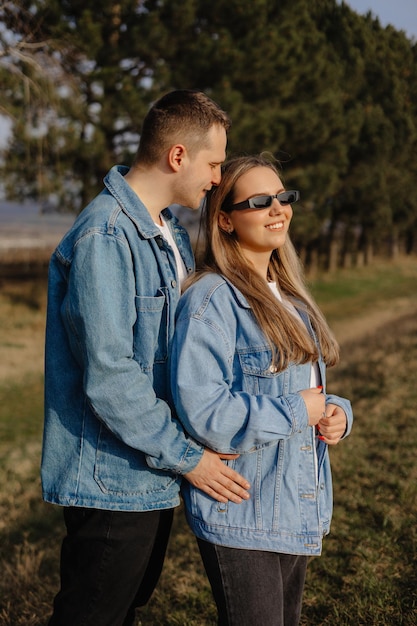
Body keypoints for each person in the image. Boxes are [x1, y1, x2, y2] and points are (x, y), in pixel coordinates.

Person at [41, 90, 251, 626]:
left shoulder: (168, 232)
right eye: (214, 163)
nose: (217, 178)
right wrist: (189, 458)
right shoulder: (106, 234)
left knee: (123, 611)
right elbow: (110, 376)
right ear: (177, 156)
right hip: (113, 479)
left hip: (148, 473)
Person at [171, 154, 354, 626]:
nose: (278, 209)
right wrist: (300, 410)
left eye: (283, 197)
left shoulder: (289, 295)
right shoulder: (211, 299)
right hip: (243, 511)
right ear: (225, 220)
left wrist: (336, 413)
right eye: (259, 201)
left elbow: (305, 391)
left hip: (295, 506)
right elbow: (204, 411)